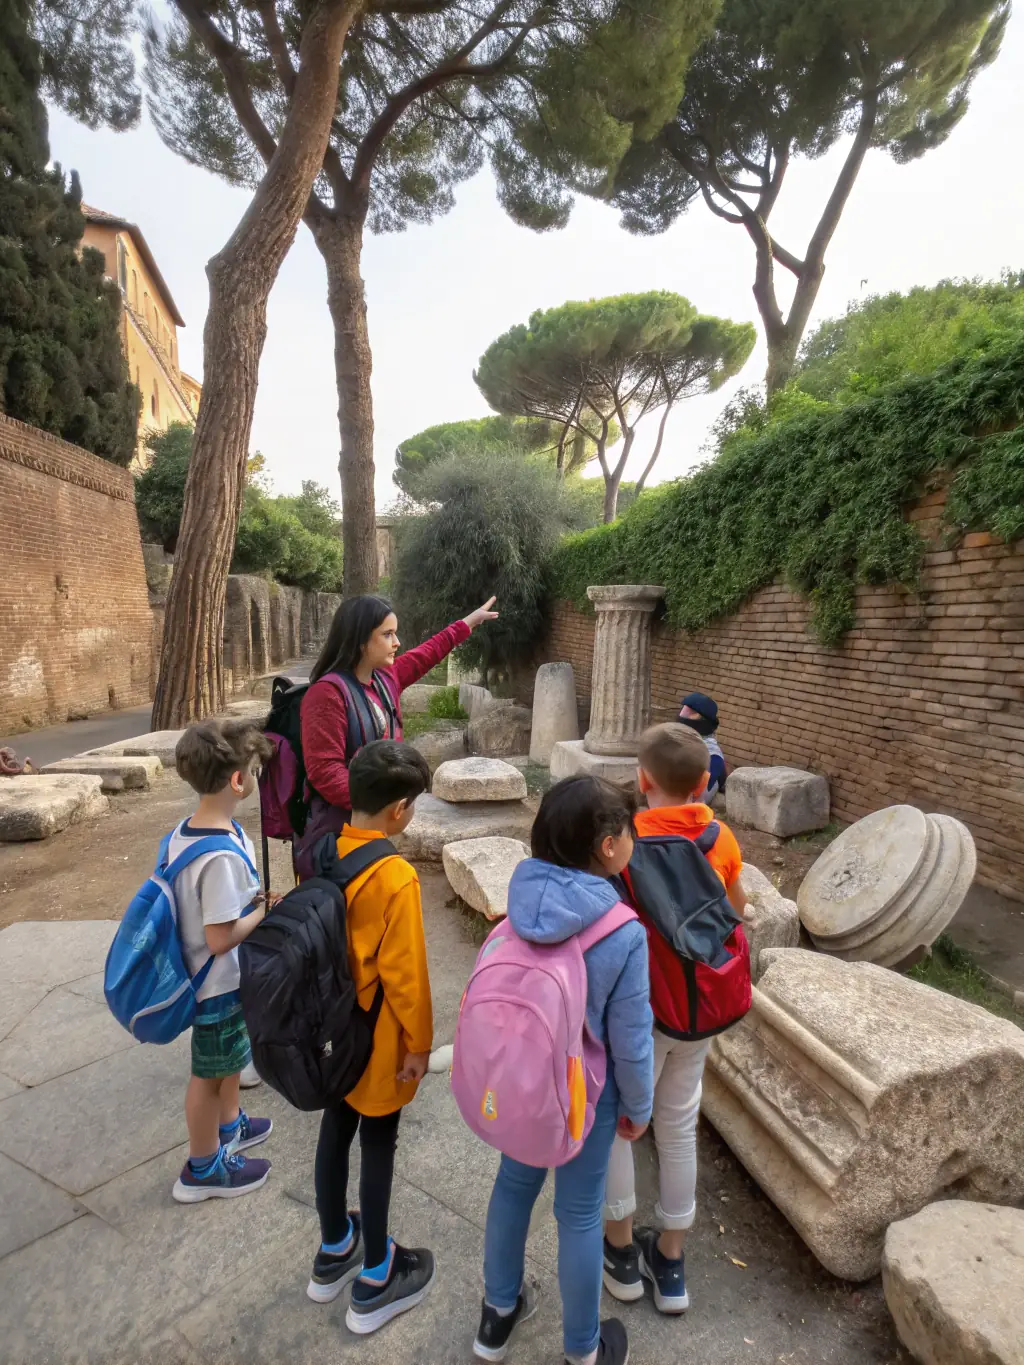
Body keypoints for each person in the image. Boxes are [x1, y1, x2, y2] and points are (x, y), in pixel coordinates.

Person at [473, 777, 654, 1365]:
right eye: (627, 831)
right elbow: (630, 1039)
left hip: (522, 1080)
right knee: (578, 1214)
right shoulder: (622, 931)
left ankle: (497, 1317)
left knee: (513, 1188)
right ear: (608, 846)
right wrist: (639, 1105)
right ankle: (583, 1349)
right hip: (585, 1094)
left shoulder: (520, 904)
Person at [602, 722, 747, 1312]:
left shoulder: (622, 840)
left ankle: (620, 1255)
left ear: (642, 781)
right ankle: (672, 1258)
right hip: (699, 1012)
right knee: (677, 1125)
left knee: (620, 1123)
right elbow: (735, 916)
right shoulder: (721, 839)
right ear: (706, 783)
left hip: (641, 1011)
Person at [306, 739, 438, 1338]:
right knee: (379, 1141)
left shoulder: (325, 850)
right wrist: (420, 1045)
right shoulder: (396, 877)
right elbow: (406, 978)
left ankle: (335, 1245)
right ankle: (379, 1274)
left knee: (336, 1130)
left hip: (332, 1029)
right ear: (401, 811)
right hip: (379, 1038)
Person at [293, 593, 498, 878]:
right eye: (387, 634)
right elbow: (324, 771)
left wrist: (468, 623)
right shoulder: (326, 695)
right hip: (340, 835)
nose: (397, 642)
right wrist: (378, 806)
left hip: (376, 826)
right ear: (361, 641)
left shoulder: (386, 678)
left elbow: (429, 651)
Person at [170, 720, 276, 1204]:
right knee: (208, 1076)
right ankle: (202, 1167)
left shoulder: (192, 832)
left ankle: (231, 1123)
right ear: (238, 781)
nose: (255, 777)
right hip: (215, 981)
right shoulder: (219, 857)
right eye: (253, 770)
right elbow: (218, 939)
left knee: (230, 1058)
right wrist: (260, 912)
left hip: (219, 980)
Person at [677, 692, 727, 802]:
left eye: (691, 713)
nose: (683, 716)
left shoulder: (713, 755)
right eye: (684, 711)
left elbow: (698, 792)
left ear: (704, 721)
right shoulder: (677, 742)